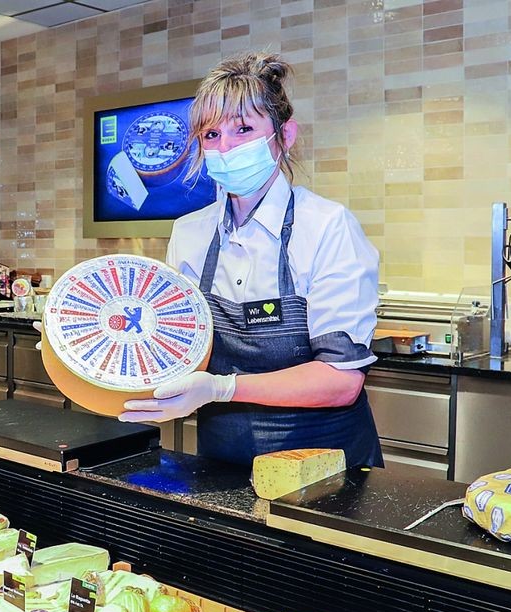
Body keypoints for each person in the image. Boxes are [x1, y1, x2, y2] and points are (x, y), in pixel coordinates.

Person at [118, 51, 383, 469]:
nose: (225, 148)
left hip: (324, 468)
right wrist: (89, 346)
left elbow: (340, 380)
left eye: (243, 129)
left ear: (285, 135)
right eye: (211, 136)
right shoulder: (190, 232)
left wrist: (220, 389)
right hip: (223, 462)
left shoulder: (328, 226)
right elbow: (171, 344)